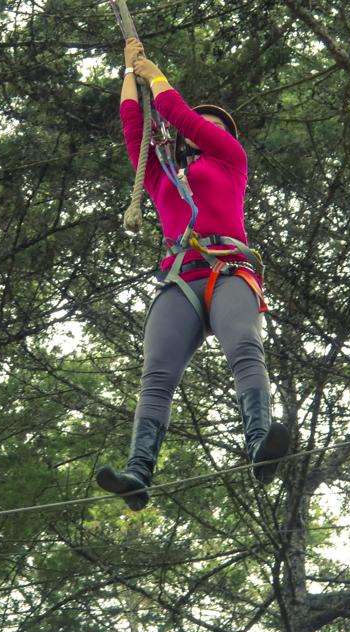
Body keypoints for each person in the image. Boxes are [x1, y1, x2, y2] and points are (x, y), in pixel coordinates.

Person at [96, 38, 290, 511]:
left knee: (245, 347)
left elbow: (180, 116)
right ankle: (139, 473)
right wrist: (128, 75)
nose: (204, 127)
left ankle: (259, 444)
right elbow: (133, 129)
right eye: (201, 125)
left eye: (213, 125)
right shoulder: (163, 175)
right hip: (181, 279)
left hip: (228, 270)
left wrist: (155, 75)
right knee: (156, 375)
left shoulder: (230, 160)